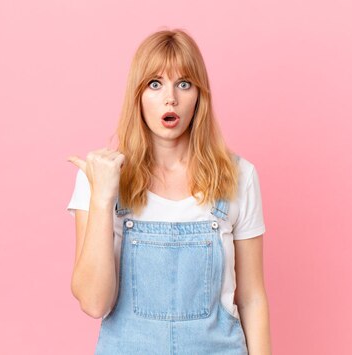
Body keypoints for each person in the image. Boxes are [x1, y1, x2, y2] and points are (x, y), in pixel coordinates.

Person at [66, 29, 271, 354]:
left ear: (199, 95)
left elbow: (252, 298)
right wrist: (104, 198)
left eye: (184, 84)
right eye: (155, 84)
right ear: (138, 94)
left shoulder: (238, 176)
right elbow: (93, 302)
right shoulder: (98, 177)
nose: (170, 98)